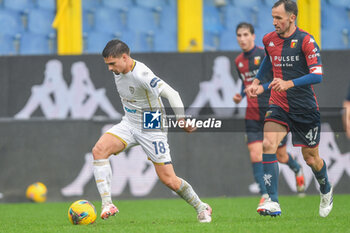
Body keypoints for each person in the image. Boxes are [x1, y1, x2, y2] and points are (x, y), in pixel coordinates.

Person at [92, 39, 212, 222]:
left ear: (124, 57)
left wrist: (181, 119)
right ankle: (107, 204)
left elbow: (172, 94)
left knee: (168, 179)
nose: (110, 69)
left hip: (151, 124)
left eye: (112, 64)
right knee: (99, 150)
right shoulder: (118, 70)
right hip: (129, 122)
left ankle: (201, 206)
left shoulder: (142, 74)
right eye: (107, 64)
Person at [246, 0, 333, 217]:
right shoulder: (269, 39)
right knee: (268, 143)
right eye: (273, 17)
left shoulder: (306, 41)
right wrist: (257, 81)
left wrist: (289, 83)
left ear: (292, 18)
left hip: (304, 107)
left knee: (311, 158)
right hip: (279, 103)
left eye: (279, 18)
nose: (274, 22)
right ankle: (273, 201)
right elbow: (269, 59)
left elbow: (317, 75)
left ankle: (326, 189)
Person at [233, 22, 305, 208]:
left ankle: (296, 167)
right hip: (252, 115)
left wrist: (261, 88)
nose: (242, 39)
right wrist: (241, 94)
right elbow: (246, 83)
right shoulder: (238, 61)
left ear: (253, 36)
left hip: (272, 112)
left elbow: (276, 79)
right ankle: (265, 194)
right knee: (256, 154)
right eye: (239, 35)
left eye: (245, 34)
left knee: (280, 156)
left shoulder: (265, 55)